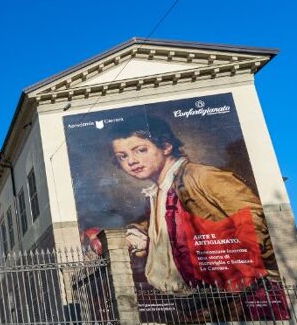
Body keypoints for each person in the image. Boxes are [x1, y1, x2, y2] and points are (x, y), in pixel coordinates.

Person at [107, 117, 274, 294]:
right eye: (122, 156)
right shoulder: (159, 191)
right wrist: (137, 234)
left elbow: (255, 221)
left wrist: (233, 271)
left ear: (166, 146)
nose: (131, 161)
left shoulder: (203, 176)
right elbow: (171, 226)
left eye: (141, 150)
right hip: (189, 302)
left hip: (231, 295)